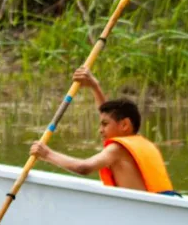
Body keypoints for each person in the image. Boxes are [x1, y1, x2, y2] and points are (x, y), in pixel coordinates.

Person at [30, 67, 177, 195]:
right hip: (162, 205)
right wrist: (94, 86)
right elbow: (108, 116)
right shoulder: (139, 143)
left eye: (104, 125)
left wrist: (47, 154)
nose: (100, 130)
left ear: (124, 125)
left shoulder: (117, 149)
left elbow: (83, 167)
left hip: (143, 212)